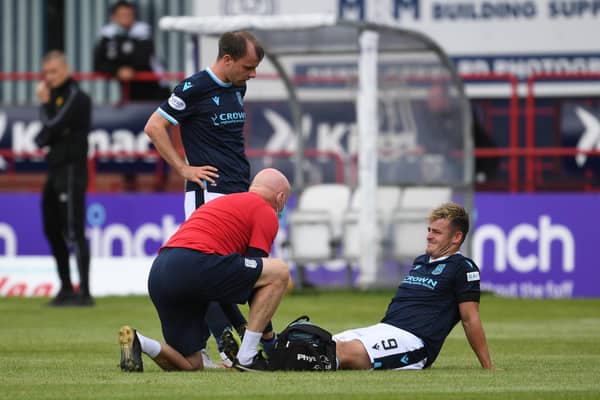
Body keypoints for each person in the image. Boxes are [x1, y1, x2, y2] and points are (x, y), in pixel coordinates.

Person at [143, 30, 267, 367]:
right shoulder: (193, 88)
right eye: (248, 66)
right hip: (209, 192)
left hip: (237, 188)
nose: (253, 74)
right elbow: (154, 126)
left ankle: (234, 338)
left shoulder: (237, 85)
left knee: (229, 270)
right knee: (207, 270)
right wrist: (183, 168)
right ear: (227, 59)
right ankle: (225, 344)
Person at [118, 168, 291, 372]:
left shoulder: (222, 203)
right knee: (279, 272)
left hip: (160, 271)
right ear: (280, 198)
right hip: (195, 263)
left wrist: (241, 327)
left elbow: (223, 285)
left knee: (192, 364)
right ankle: (247, 358)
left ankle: (139, 341)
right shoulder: (265, 210)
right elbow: (257, 284)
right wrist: (269, 339)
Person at [334, 203, 494, 370]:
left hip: (413, 341)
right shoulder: (421, 261)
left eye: (437, 232)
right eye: (429, 230)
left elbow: (470, 319)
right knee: (323, 343)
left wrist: (488, 367)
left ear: (456, 237)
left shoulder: (463, 268)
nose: (429, 236)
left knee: (342, 352)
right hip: (383, 329)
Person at [35, 50, 93, 307]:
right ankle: (66, 287)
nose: (49, 77)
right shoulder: (56, 96)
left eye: (54, 71)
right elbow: (45, 135)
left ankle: (85, 292)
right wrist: (49, 130)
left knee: (73, 228)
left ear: (67, 70)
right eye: (46, 72)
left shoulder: (75, 96)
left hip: (71, 169)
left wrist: (44, 104)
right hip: (55, 168)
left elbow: (52, 124)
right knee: (51, 227)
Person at [93, 0, 170, 102]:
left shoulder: (143, 33)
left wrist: (126, 68)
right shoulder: (108, 36)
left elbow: (142, 60)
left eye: (129, 14)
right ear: (113, 17)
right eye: (122, 15)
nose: (126, 18)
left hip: (155, 89)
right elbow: (99, 64)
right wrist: (118, 70)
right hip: (130, 94)